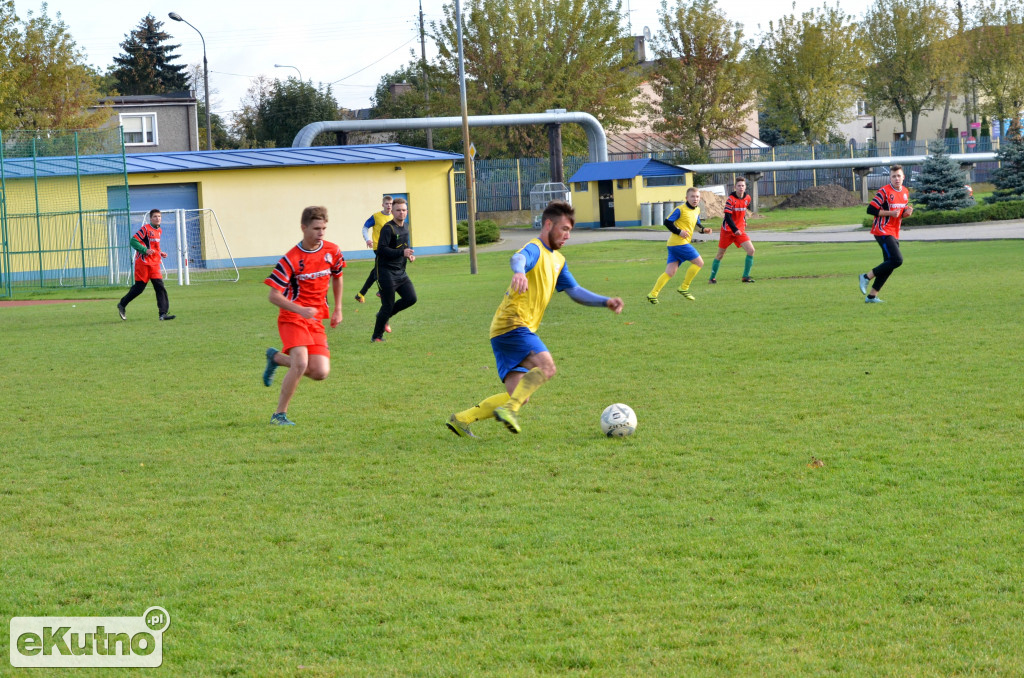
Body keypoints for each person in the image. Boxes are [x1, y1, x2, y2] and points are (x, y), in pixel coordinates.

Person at [447, 200, 624, 438]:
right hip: (513, 323)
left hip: (502, 332)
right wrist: (519, 272)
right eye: (564, 229)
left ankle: (462, 419)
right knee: (547, 367)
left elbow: (575, 291)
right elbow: (517, 258)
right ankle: (509, 410)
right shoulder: (535, 248)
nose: (567, 236)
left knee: (521, 394)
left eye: (570, 231)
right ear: (548, 224)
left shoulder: (559, 261)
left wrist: (605, 301)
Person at [261, 206, 345, 425]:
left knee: (320, 372)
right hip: (292, 317)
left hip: (315, 319)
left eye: (324, 228)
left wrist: (338, 309)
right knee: (300, 363)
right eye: (316, 228)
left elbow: (338, 276)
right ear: (303, 227)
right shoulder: (290, 259)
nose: (321, 233)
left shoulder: (332, 251)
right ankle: (279, 415)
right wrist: (300, 310)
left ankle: (276, 358)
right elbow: (273, 296)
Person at [647, 186, 712, 303]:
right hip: (678, 243)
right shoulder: (680, 209)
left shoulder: (696, 210)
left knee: (670, 272)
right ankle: (684, 287)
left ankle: (653, 294)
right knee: (699, 262)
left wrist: (704, 230)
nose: (695, 199)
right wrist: (679, 231)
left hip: (674, 245)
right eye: (692, 196)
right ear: (686, 198)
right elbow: (667, 222)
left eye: (697, 197)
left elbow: (697, 225)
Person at [859, 165, 913, 303]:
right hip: (882, 230)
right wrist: (889, 213)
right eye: (894, 176)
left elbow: (899, 214)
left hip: (894, 232)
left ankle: (871, 296)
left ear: (903, 177)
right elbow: (870, 210)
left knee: (889, 264)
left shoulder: (905, 192)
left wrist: (906, 213)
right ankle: (866, 277)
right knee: (897, 260)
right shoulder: (884, 191)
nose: (896, 178)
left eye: (899, 176)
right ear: (890, 177)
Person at [117, 208, 175, 321]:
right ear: (151, 218)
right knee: (139, 289)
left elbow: (154, 246)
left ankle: (163, 314)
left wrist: (160, 253)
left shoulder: (159, 230)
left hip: (154, 263)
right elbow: (133, 241)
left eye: (159, 216)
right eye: (155, 217)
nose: (158, 218)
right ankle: (122, 304)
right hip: (143, 263)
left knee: (160, 287)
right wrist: (145, 250)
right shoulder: (145, 229)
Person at [371, 198, 416, 342]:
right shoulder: (387, 228)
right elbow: (381, 250)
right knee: (388, 305)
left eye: (403, 210)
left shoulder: (406, 226)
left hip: (400, 272)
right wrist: (401, 253)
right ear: (393, 211)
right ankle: (377, 336)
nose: (401, 213)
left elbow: (403, 246)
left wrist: (409, 255)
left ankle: (384, 316)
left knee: (411, 298)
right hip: (386, 272)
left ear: (407, 212)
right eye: (398, 210)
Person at [708, 177, 756, 283]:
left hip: (739, 230)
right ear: (735, 187)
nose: (741, 188)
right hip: (727, 231)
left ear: (745, 187)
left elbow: (742, 212)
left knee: (751, 250)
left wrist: (743, 220)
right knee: (720, 254)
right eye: (738, 185)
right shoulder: (730, 199)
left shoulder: (747, 198)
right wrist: (735, 229)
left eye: (742, 185)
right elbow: (728, 217)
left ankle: (745, 277)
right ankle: (712, 278)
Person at [354, 195, 393, 304]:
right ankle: (381, 291)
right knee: (386, 269)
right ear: (383, 205)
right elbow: (365, 227)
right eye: (387, 204)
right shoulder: (376, 216)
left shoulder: (393, 217)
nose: (389, 206)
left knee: (377, 271)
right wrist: (367, 239)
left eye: (391, 204)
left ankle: (361, 294)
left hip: (389, 248)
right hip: (379, 247)